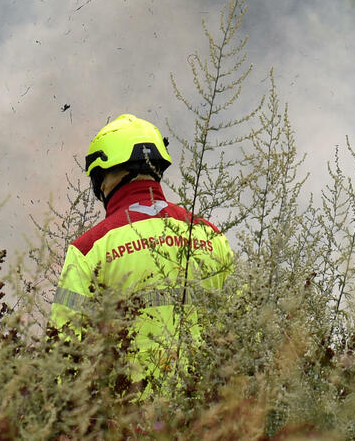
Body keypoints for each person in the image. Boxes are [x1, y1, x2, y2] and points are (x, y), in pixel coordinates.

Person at [48, 114, 234, 389]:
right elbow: (243, 329)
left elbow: (63, 350)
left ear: (105, 177)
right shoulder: (211, 235)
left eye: (98, 179)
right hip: (209, 414)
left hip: (128, 418)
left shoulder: (90, 249)